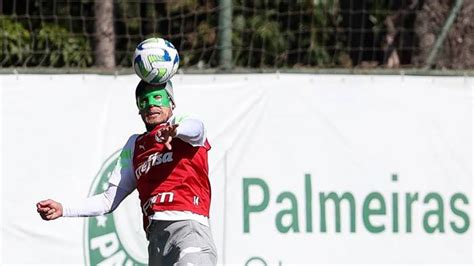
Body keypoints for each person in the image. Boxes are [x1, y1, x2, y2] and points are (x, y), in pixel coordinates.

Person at [36, 80, 217, 266]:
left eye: (157, 97)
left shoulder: (183, 125)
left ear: (171, 103)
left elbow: (197, 128)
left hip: (188, 230)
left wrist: (176, 131)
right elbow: (107, 201)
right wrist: (63, 209)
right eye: (144, 100)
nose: (151, 104)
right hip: (156, 241)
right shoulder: (135, 145)